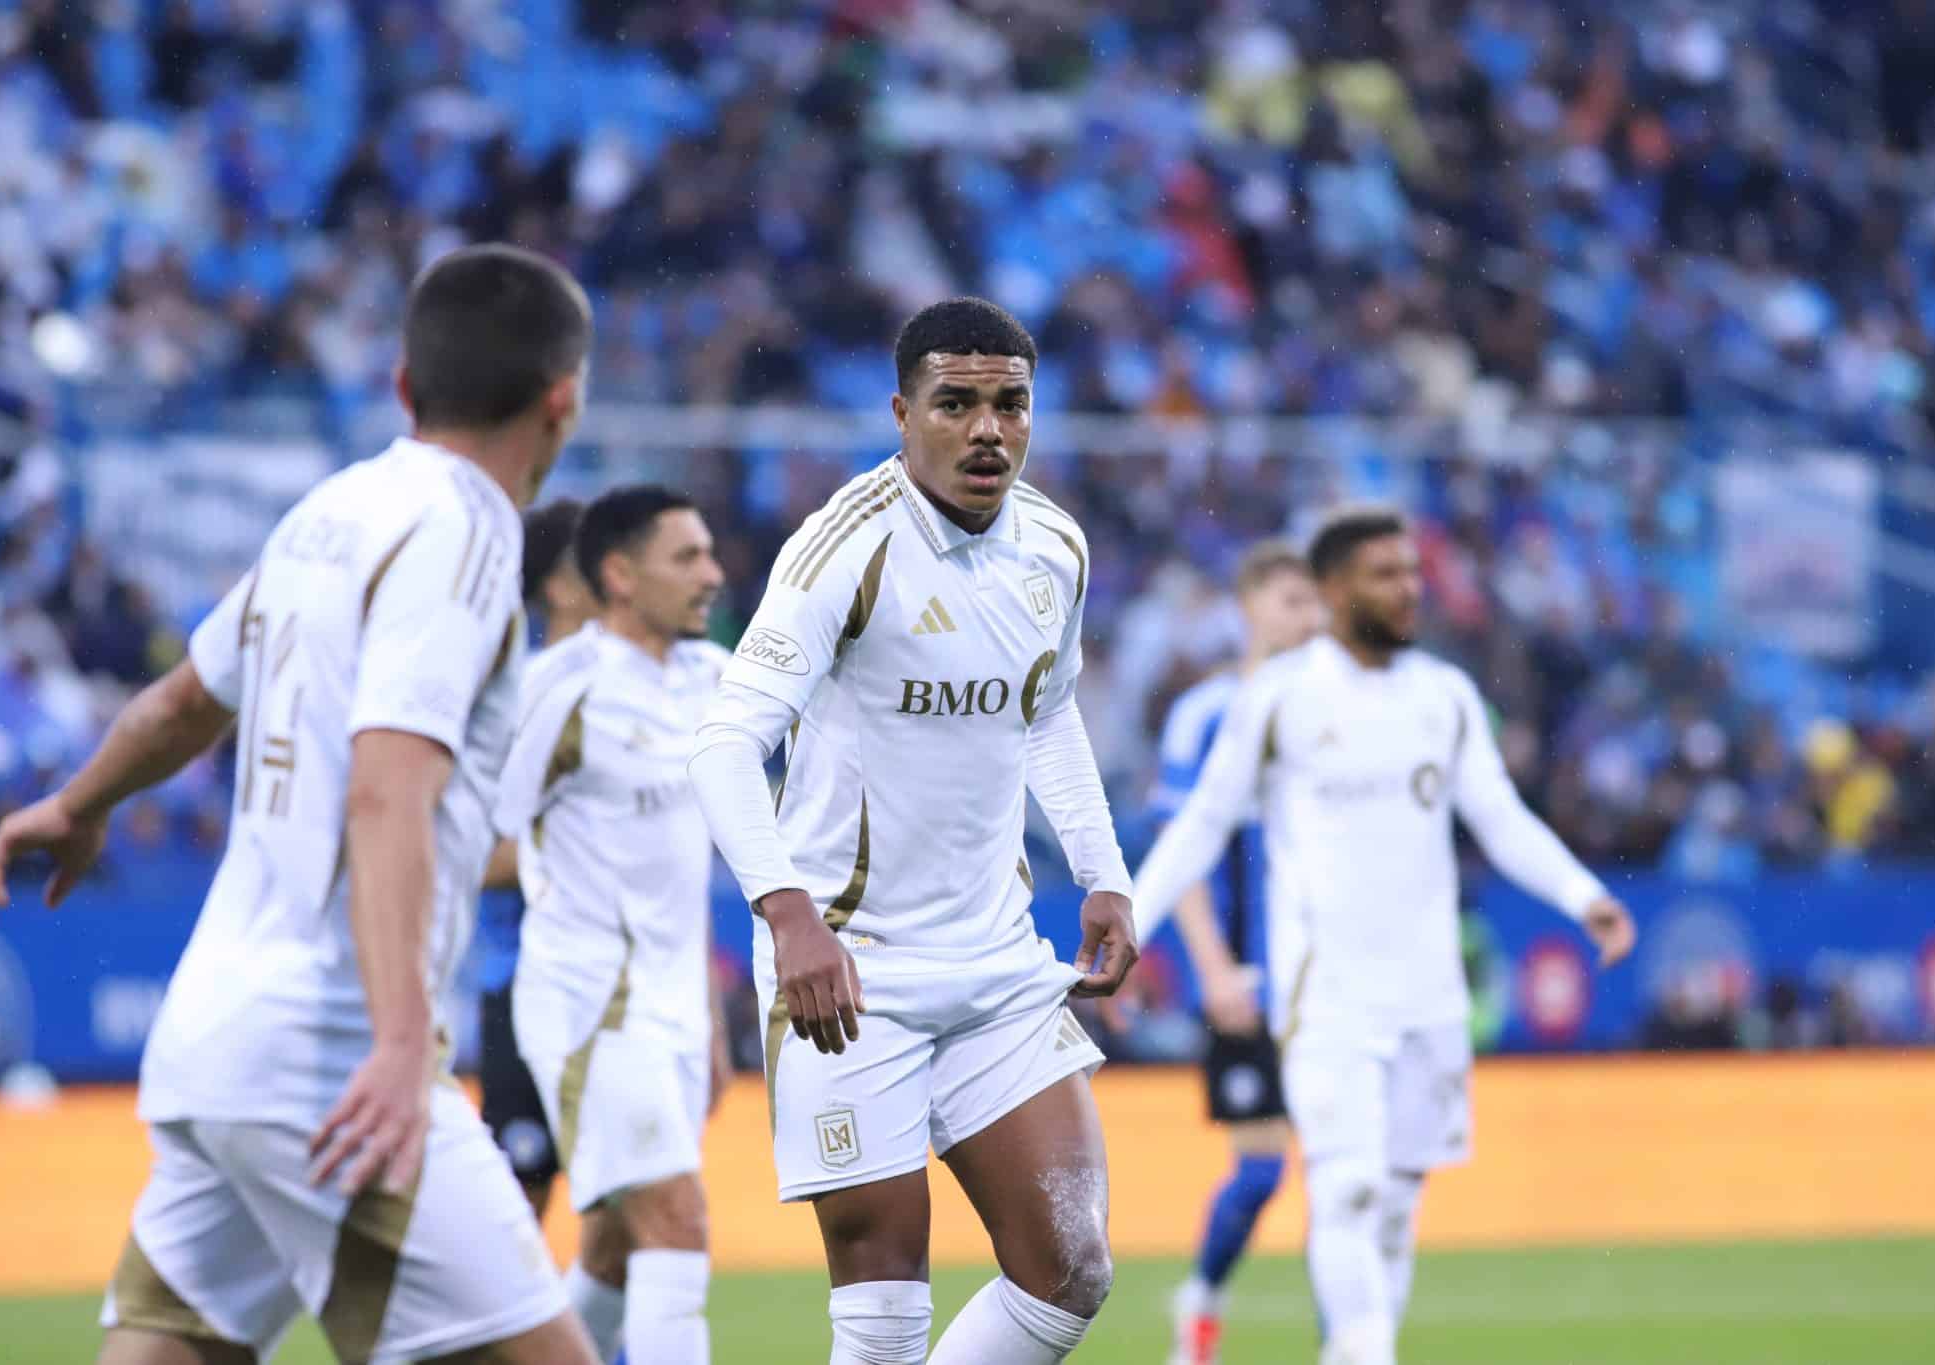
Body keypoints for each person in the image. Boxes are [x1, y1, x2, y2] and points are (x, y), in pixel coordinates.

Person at [0, 244, 603, 1365]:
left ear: (405, 386)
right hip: (331, 1056)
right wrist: (407, 1042)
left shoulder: (331, 509)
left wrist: (76, 804)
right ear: (565, 400)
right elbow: (386, 785)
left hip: (216, 1043)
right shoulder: (466, 531)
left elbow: (182, 701)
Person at [688, 297, 1138, 1365]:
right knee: (885, 1318)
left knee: (1071, 1273)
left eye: (1010, 405)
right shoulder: (843, 548)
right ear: (902, 412)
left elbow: (1047, 710)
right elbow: (719, 744)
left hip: (994, 964)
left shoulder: (1055, 549)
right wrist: (789, 916)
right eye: (957, 404)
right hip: (853, 976)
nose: (987, 430)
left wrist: (1103, 873)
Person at [1130, 506, 1637, 1365]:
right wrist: (1130, 923)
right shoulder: (1277, 700)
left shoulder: (1444, 696)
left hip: (1430, 996)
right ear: (1333, 590)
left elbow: (1499, 817)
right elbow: (1203, 823)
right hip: (1325, 995)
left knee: (1397, 1208)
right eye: (1386, 574)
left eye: (1412, 572)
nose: (1410, 589)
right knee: (1349, 1190)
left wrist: (1582, 894)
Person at [493, 484, 732, 1365]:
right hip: (590, 1006)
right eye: (688, 557)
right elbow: (473, 835)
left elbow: (684, 870)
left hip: (672, 1009)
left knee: (615, 1248)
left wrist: (707, 1019)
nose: (712, 573)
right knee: (676, 1217)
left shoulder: (711, 679)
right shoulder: (559, 688)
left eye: (708, 552)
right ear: (620, 576)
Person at [1152, 542, 1323, 1365]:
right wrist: (1215, 968)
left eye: (1316, 603)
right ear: (1252, 603)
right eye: (1293, 600)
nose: (1310, 618)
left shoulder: (1334, 710)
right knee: (1260, 1175)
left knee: (1342, 1179)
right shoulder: (1208, 712)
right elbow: (1184, 851)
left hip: (1326, 982)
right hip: (1244, 981)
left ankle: (1352, 1341)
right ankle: (1203, 1300)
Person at [476, 496, 596, 1222]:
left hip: (620, 984)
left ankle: (609, 1343)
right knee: (521, 1202)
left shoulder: (643, 685)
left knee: (640, 1208)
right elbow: (472, 853)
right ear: (558, 583)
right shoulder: (511, 696)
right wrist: (585, 851)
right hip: (521, 982)